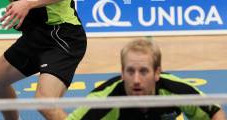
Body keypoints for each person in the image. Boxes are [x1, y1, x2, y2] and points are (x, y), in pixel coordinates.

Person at [67, 39, 226, 120]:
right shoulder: (104, 100)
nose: (136, 80)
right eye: (130, 71)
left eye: (143, 71)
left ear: (157, 73)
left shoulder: (175, 90)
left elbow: (215, 112)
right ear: (122, 73)